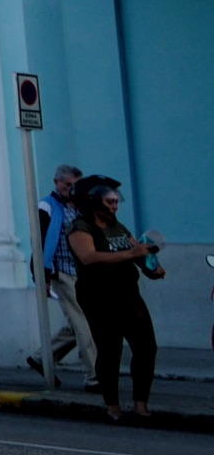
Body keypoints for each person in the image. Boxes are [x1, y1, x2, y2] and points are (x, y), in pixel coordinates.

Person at [65, 175, 162, 420]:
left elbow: (137, 252)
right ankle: (113, 407)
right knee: (110, 351)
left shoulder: (118, 226)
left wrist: (151, 266)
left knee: (146, 347)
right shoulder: (80, 227)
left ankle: (141, 405)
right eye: (109, 202)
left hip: (128, 293)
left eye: (115, 201)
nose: (114, 206)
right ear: (92, 201)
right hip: (99, 296)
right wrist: (133, 252)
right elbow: (89, 257)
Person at [31, 164, 99, 390]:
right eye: (67, 184)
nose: (70, 188)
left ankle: (43, 358)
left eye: (74, 185)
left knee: (78, 322)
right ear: (57, 183)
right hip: (61, 271)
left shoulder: (80, 207)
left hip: (82, 272)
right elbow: (39, 239)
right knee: (84, 325)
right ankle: (94, 377)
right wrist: (42, 273)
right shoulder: (47, 205)